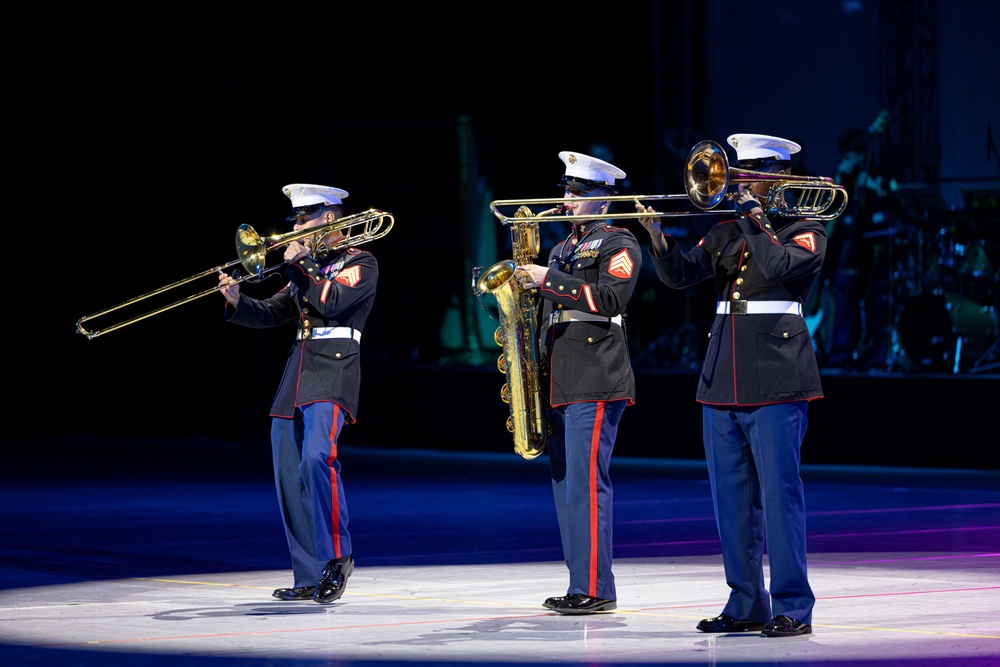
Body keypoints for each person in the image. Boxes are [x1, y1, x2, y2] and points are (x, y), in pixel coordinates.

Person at [637, 134, 824, 637]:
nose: (740, 182)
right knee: (731, 498)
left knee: (780, 497)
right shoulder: (726, 231)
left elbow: (779, 266)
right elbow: (680, 275)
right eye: (738, 172)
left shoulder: (806, 229)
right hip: (722, 376)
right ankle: (746, 602)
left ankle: (793, 606)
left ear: (780, 176)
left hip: (777, 376)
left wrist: (753, 219)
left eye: (752, 173)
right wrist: (658, 240)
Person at [218, 183, 378, 604]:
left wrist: (301, 265)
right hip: (296, 373)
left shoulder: (360, 261)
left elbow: (331, 301)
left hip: (334, 370)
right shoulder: (307, 268)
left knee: (316, 459)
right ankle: (308, 573)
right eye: (296, 221)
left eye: (304, 219)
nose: (296, 228)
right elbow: (272, 313)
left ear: (330, 218)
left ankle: (338, 558)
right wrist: (237, 300)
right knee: (289, 474)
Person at [516, 151, 641, 615]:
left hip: (596, 373)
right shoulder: (562, 248)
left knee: (587, 485)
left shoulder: (619, 241)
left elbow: (609, 299)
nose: (567, 199)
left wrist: (549, 279)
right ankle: (578, 583)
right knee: (567, 486)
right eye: (567, 190)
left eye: (577, 192)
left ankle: (596, 588)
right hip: (560, 376)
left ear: (603, 201)